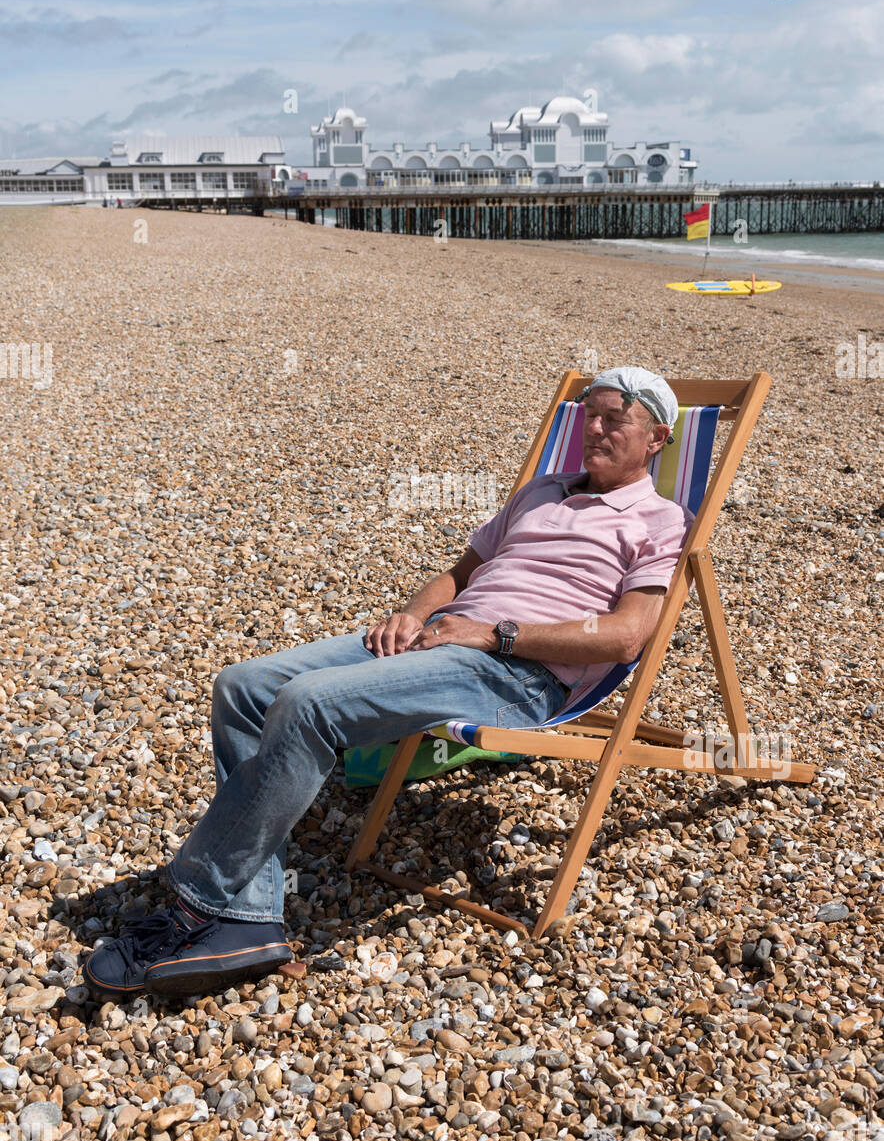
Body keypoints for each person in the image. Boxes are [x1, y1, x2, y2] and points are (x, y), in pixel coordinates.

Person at [84, 366, 691, 999]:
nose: (595, 428)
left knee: (307, 704)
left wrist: (494, 635)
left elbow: (626, 636)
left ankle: (194, 907)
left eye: (615, 419)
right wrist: (413, 613)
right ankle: (251, 916)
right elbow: (459, 575)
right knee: (243, 685)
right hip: (444, 639)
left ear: (656, 439)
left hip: (515, 671)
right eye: (589, 414)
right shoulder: (542, 490)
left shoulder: (659, 520)